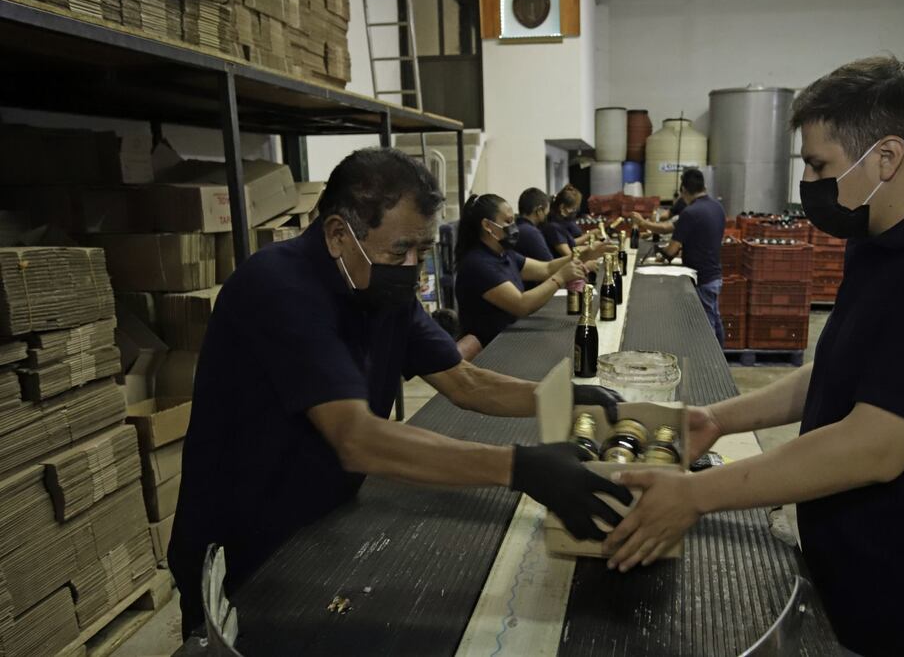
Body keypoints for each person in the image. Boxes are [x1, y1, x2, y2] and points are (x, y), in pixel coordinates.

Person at [605, 57, 904, 657]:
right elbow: (834, 373)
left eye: (818, 164)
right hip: (846, 561)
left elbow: (875, 445)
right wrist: (720, 419)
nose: (808, 182)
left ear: (886, 157)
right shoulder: (877, 244)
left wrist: (696, 495)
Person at [168, 148, 631, 637]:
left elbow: (463, 381)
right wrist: (519, 466)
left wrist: (564, 399)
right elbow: (357, 438)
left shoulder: (378, 288)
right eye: (399, 250)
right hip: (246, 549)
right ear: (338, 234)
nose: (411, 267)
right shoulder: (278, 289)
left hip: (319, 526)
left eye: (422, 251)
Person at [454, 193, 590, 348]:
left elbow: (546, 268)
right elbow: (521, 305)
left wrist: (586, 253)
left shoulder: (504, 254)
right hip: (491, 349)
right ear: (487, 225)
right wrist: (560, 278)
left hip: (510, 339)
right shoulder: (478, 265)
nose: (514, 227)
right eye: (508, 221)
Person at [632, 169, 725, 342]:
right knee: (715, 319)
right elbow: (672, 228)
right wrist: (645, 224)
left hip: (701, 278)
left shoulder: (691, 212)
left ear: (683, 191)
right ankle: (721, 359)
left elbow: (671, 250)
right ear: (704, 186)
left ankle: (711, 364)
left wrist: (661, 254)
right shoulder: (716, 207)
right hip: (715, 275)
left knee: (705, 327)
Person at [514, 187, 555, 290]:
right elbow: (550, 267)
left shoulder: (518, 228)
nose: (547, 216)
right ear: (539, 210)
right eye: (546, 212)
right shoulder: (530, 232)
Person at [543, 184, 592, 257]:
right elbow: (569, 255)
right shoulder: (553, 227)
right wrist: (590, 246)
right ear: (562, 207)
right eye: (573, 208)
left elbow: (571, 243)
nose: (575, 211)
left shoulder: (564, 221)